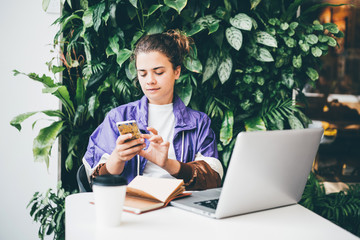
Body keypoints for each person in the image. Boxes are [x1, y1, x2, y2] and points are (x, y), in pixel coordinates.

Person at [83, 29, 223, 190]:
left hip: (180, 207)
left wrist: (168, 164)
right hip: (133, 205)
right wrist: (118, 157)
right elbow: (96, 180)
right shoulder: (119, 117)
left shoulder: (198, 123)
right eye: (142, 74)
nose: (150, 80)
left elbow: (213, 179)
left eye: (158, 72)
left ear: (176, 71)